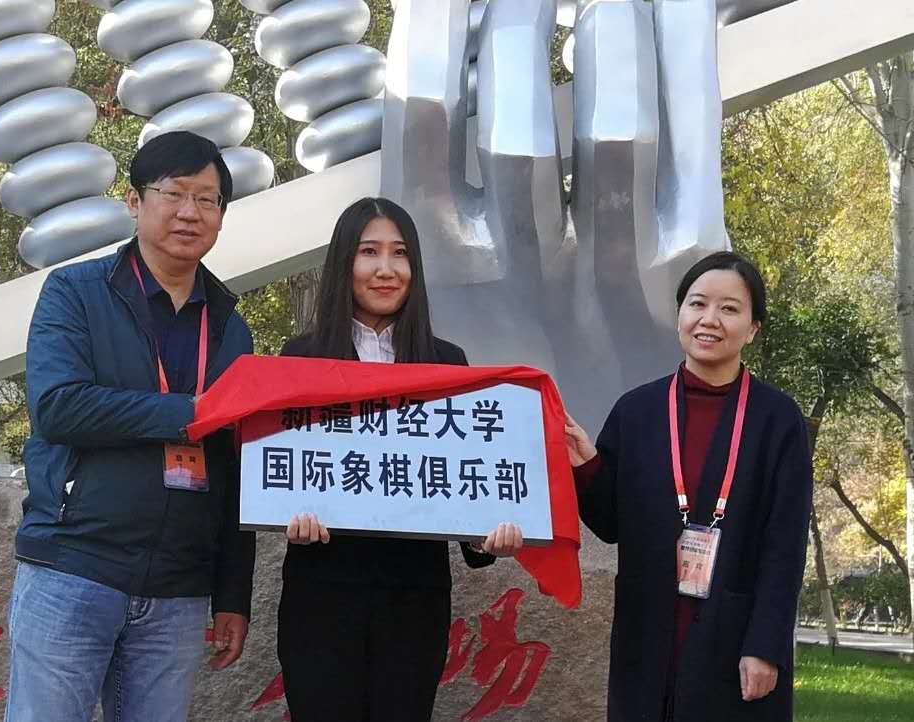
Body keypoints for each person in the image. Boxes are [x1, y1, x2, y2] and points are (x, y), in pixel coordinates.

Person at [6, 131, 256, 722]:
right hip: (75, 566)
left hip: (178, 591)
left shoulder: (229, 325)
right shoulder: (75, 292)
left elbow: (235, 464)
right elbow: (58, 406)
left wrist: (232, 594)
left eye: (208, 199)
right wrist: (191, 412)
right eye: (174, 194)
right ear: (134, 201)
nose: (190, 212)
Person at [278, 197, 525, 721]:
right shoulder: (299, 359)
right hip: (322, 592)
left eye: (400, 253)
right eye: (369, 252)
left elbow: (461, 478)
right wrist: (285, 515)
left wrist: (483, 535)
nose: (386, 269)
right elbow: (281, 472)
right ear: (344, 262)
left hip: (414, 597)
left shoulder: (446, 362)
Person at [563, 251, 812, 722]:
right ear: (679, 315)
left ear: (753, 328)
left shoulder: (778, 420)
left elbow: (785, 546)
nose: (709, 319)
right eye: (697, 304)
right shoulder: (637, 411)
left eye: (729, 309)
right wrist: (587, 466)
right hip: (647, 632)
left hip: (734, 637)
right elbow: (612, 523)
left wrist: (765, 646)